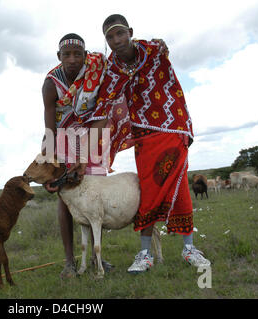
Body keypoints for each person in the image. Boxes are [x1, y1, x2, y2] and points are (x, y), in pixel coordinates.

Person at [88, 14, 210, 273]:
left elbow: (164, 52)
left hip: (172, 126)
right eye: (110, 37)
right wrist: (87, 147)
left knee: (180, 189)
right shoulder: (113, 69)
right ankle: (144, 254)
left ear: (130, 32)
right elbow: (102, 108)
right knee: (149, 190)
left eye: (120, 33)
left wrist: (163, 45)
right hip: (144, 134)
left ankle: (189, 249)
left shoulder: (153, 50)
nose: (116, 40)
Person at [41, 33, 112, 278]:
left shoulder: (96, 73)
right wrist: (51, 158)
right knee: (66, 198)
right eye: (66, 54)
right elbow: (50, 125)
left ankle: (96, 256)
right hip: (64, 141)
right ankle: (69, 261)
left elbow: (104, 109)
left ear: (85, 55)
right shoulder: (51, 83)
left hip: (93, 138)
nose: (72, 59)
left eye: (77, 54)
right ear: (58, 57)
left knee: (93, 195)